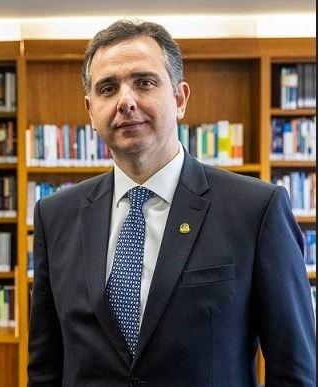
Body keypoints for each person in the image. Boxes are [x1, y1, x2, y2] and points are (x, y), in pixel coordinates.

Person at [28, 19, 316, 386]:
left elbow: (294, 370)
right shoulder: (56, 216)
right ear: (90, 111)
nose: (126, 101)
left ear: (179, 99)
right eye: (107, 88)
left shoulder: (256, 209)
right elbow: (45, 367)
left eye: (144, 82)